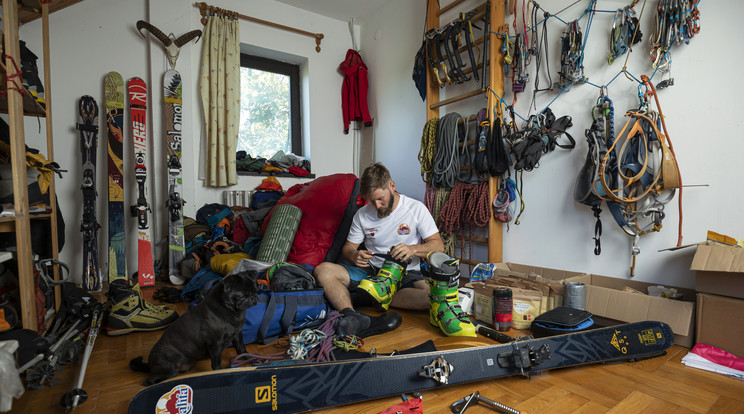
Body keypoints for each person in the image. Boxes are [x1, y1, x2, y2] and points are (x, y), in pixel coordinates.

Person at [314, 163, 474, 337]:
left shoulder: (415, 208)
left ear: (392, 186)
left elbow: (438, 245)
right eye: (371, 200)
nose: (376, 205)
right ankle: (352, 316)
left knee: (437, 297)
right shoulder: (362, 214)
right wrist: (354, 255)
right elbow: (348, 248)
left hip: (406, 273)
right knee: (323, 271)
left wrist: (413, 249)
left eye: (380, 198)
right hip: (371, 273)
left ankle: (376, 297)